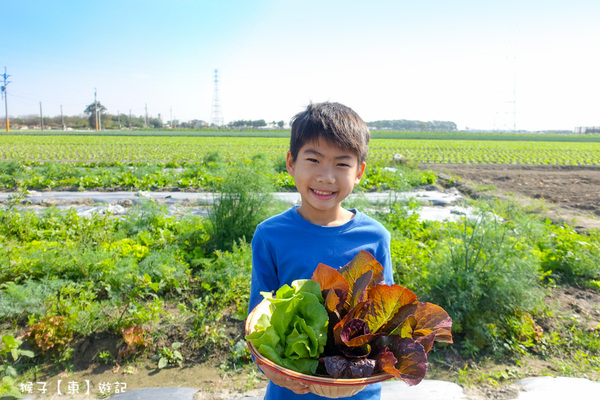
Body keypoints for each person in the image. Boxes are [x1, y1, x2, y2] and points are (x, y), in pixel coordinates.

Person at [248, 101, 394, 400]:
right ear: (291, 162)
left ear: (359, 172)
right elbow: (257, 322)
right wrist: (276, 372)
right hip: (291, 389)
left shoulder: (375, 237)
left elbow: (387, 317)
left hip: (359, 391)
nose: (326, 176)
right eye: (313, 160)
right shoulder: (270, 235)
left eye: (342, 164)